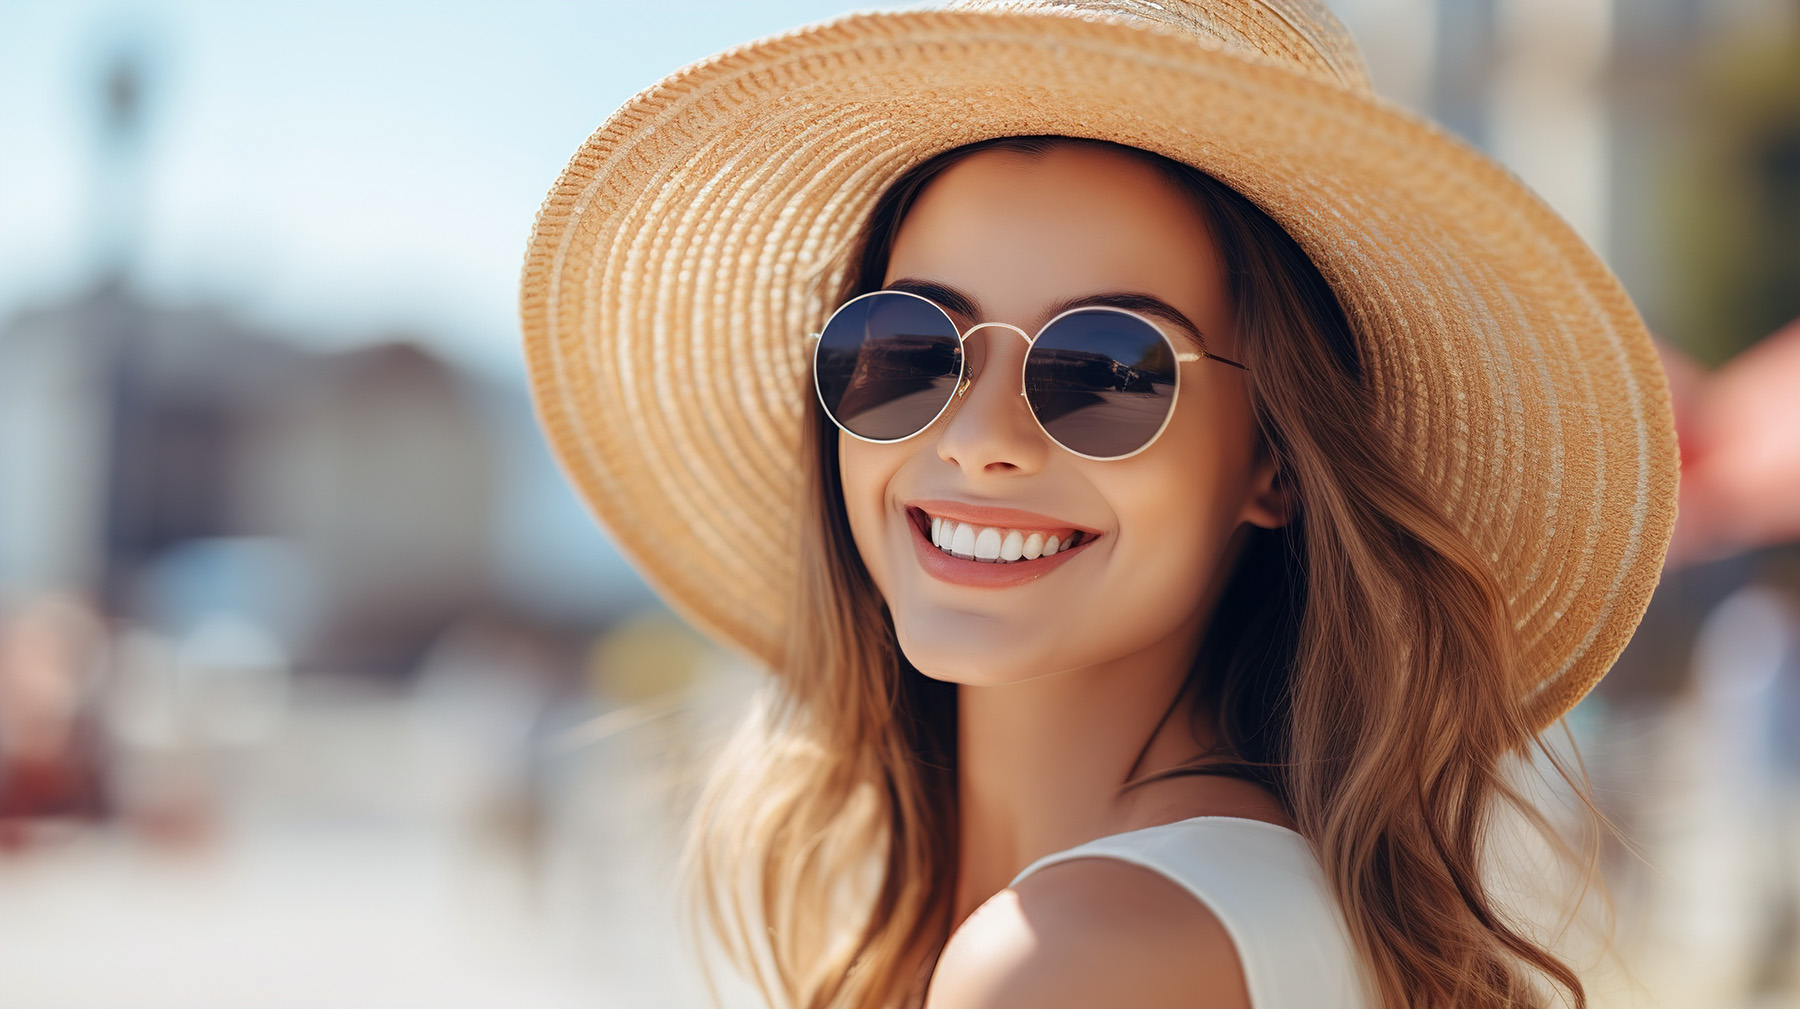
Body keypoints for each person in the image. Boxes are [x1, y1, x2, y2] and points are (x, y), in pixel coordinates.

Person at [519, 2, 1678, 1007]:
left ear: (1274, 461)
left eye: (1110, 371)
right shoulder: (1264, 908)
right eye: (909, 349)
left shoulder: (1069, 961)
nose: (979, 441)